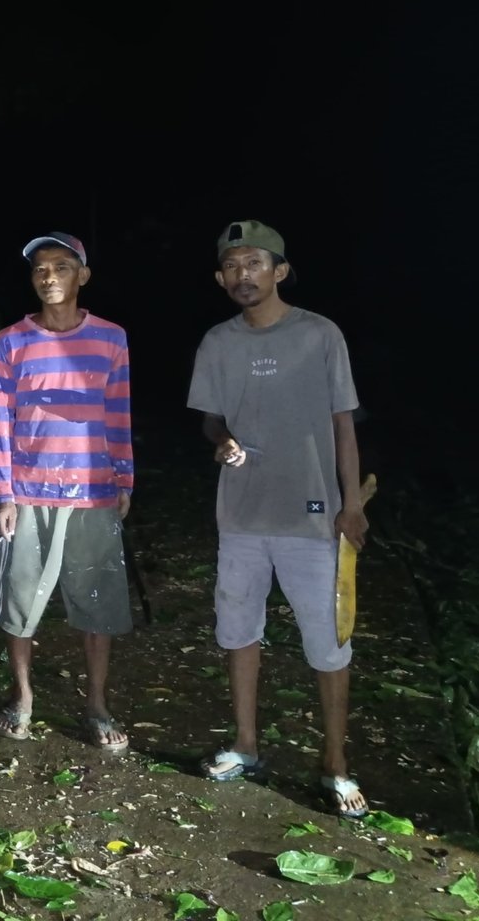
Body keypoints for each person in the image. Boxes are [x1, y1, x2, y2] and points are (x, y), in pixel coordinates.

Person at [187, 220, 370, 819]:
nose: (243, 275)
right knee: (238, 629)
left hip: (312, 517)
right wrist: (222, 439)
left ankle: (335, 762)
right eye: (232, 266)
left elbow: (343, 423)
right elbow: (211, 417)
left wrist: (350, 504)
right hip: (241, 515)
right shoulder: (217, 342)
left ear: (280, 271)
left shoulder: (319, 335)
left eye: (255, 264)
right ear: (220, 279)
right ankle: (246, 745)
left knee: (328, 641)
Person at [0, 232, 135, 751]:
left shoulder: (111, 338)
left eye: (62, 267)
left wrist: (124, 477)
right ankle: (22, 699)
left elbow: (118, 412)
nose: (49, 276)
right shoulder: (10, 342)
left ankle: (97, 705)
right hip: (28, 492)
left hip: (93, 491)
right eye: (40, 269)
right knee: (20, 600)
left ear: (82, 276)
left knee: (97, 605)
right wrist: (3, 493)